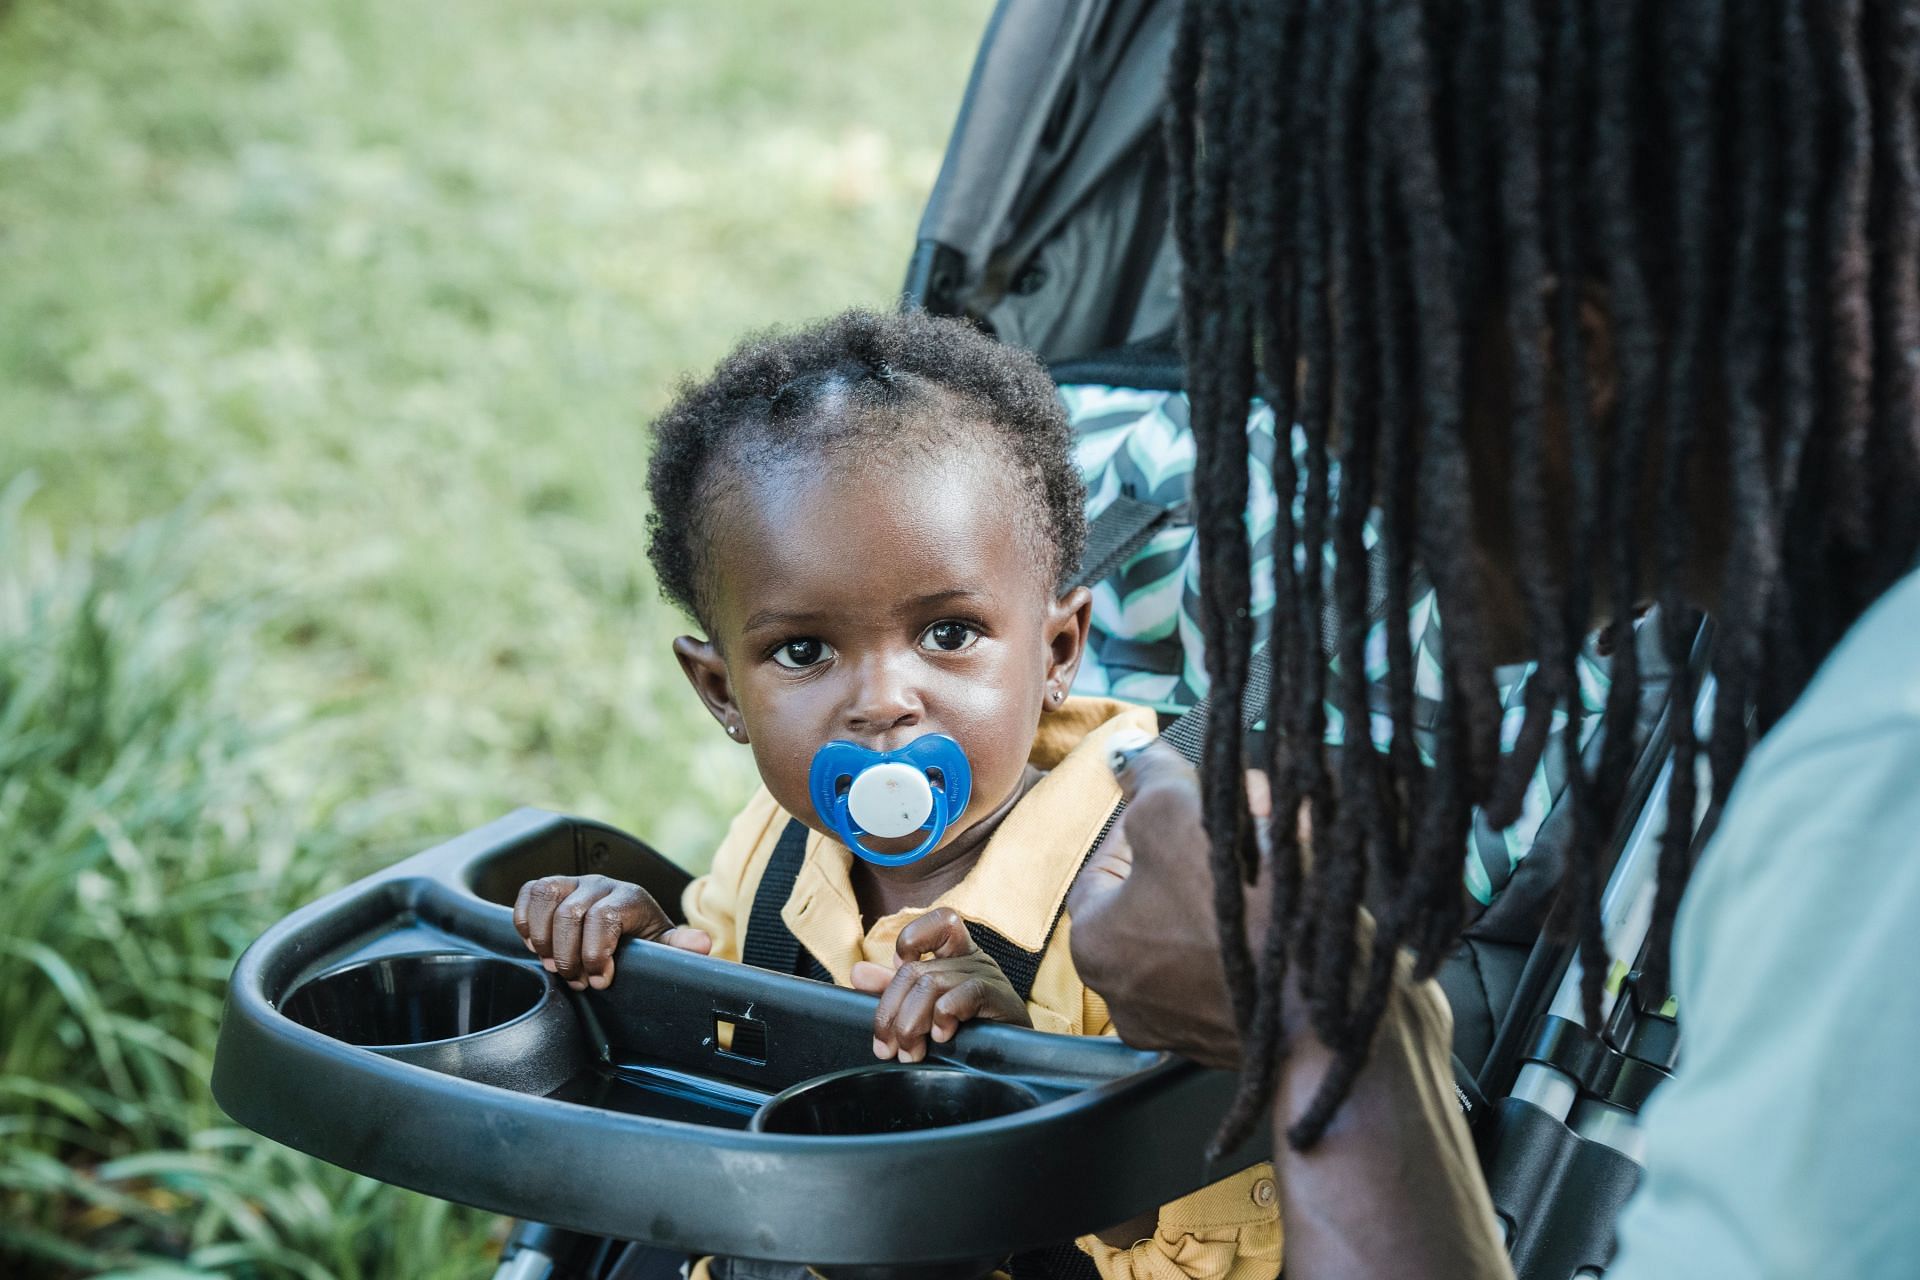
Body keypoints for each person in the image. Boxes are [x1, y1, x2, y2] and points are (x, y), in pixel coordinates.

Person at [1069, 0, 1920, 1276]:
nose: (1333, 480)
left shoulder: (1881, 795)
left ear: (1557, 356)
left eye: (1340, 404)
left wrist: (1329, 1028)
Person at [514, 308, 1281, 1280]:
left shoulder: (1153, 898)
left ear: (1056, 650)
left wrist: (1028, 1082)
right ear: (723, 692)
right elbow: (707, 1080)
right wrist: (635, 969)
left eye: (949, 633)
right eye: (803, 650)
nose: (882, 703)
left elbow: (1213, 1249)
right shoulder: (774, 843)